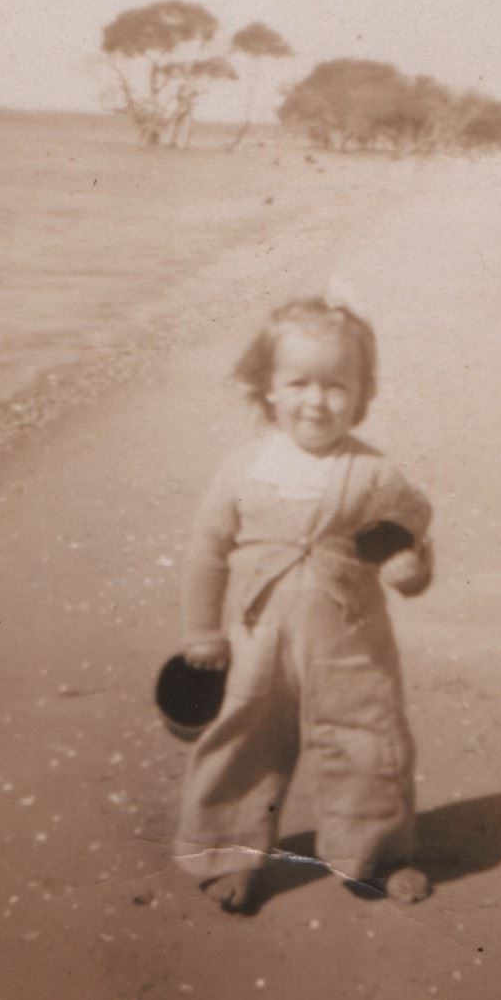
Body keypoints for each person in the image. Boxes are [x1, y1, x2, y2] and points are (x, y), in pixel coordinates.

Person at [174, 296, 434, 915]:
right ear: (268, 387)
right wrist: (202, 631)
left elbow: (410, 533)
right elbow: (207, 550)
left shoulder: (374, 474)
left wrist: (410, 568)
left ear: (362, 392)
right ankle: (228, 853)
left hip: (350, 644)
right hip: (257, 644)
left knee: (367, 741)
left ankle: (376, 852)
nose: (317, 401)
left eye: (337, 386)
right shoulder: (244, 468)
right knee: (243, 742)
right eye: (299, 384)